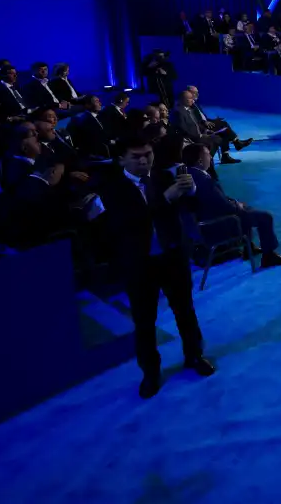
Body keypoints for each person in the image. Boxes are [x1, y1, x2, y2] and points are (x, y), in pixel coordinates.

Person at [91, 138, 216, 398]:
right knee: (145, 321)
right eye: (136, 156)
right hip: (140, 263)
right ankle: (151, 373)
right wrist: (166, 198)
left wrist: (190, 191)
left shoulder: (163, 177)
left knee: (185, 310)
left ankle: (194, 355)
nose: (144, 160)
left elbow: (189, 208)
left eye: (147, 154)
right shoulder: (112, 189)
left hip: (172, 256)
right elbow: (128, 223)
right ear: (121, 159)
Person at [181, 143, 281, 269]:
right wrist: (237, 206)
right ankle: (269, 257)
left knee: (246, 210)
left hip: (206, 220)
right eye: (207, 154)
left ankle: (249, 247)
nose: (211, 157)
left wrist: (235, 203)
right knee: (265, 217)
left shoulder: (190, 175)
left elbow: (217, 201)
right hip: (215, 226)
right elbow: (224, 206)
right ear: (200, 161)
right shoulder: (203, 181)